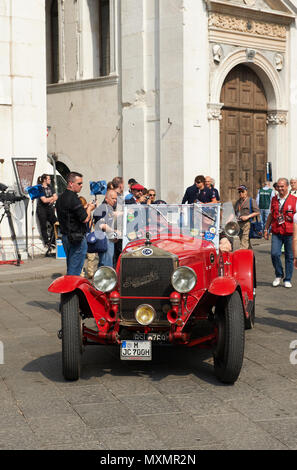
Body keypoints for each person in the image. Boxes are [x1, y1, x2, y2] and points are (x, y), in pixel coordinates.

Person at [56, 172, 95, 275]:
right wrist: (90, 209)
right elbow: (85, 219)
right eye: (79, 183)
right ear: (70, 183)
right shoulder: (74, 198)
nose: (81, 185)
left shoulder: (61, 198)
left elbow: (70, 213)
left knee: (71, 266)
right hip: (76, 238)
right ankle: (71, 291)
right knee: (75, 270)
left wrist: (84, 208)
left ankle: (69, 289)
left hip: (65, 237)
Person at [264, 178, 297, 288]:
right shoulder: (274, 199)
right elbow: (270, 215)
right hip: (276, 231)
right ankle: (279, 274)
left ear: (287, 187)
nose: (280, 189)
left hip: (290, 232)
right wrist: (266, 229)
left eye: (282, 186)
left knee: (289, 256)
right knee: (275, 254)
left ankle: (287, 279)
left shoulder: (294, 200)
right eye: (279, 186)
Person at [93, 189, 119, 267]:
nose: (115, 201)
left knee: (108, 263)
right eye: (113, 198)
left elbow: (114, 215)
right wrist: (114, 232)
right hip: (104, 240)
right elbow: (102, 225)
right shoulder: (102, 208)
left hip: (109, 239)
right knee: (105, 265)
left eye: (116, 199)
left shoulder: (109, 208)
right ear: (106, 198)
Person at [36, 174, 57, 255]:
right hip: (42, 209)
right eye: (49, 179)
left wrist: (51, 199)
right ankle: (46, 242)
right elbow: (44, 200)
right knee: (43, 226)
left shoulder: (50, 187)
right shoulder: (40, 188)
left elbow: (56, 197)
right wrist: (52, 198)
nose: (50, 180)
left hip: (49, 209)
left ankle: (53, 241)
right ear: (44, 179)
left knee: (55, 223)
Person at [234, 185, 260, 250]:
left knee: (244, 242)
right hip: (239, 224)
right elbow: (235, 212)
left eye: (242, 191)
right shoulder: (238, 202)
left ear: (246, 192)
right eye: (239, 192)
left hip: (248, 223)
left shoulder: (251, 201)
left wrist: (247, 216)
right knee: (245, 242)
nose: (240, 193)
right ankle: (251, 258)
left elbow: (257, 212)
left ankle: (242, 257)